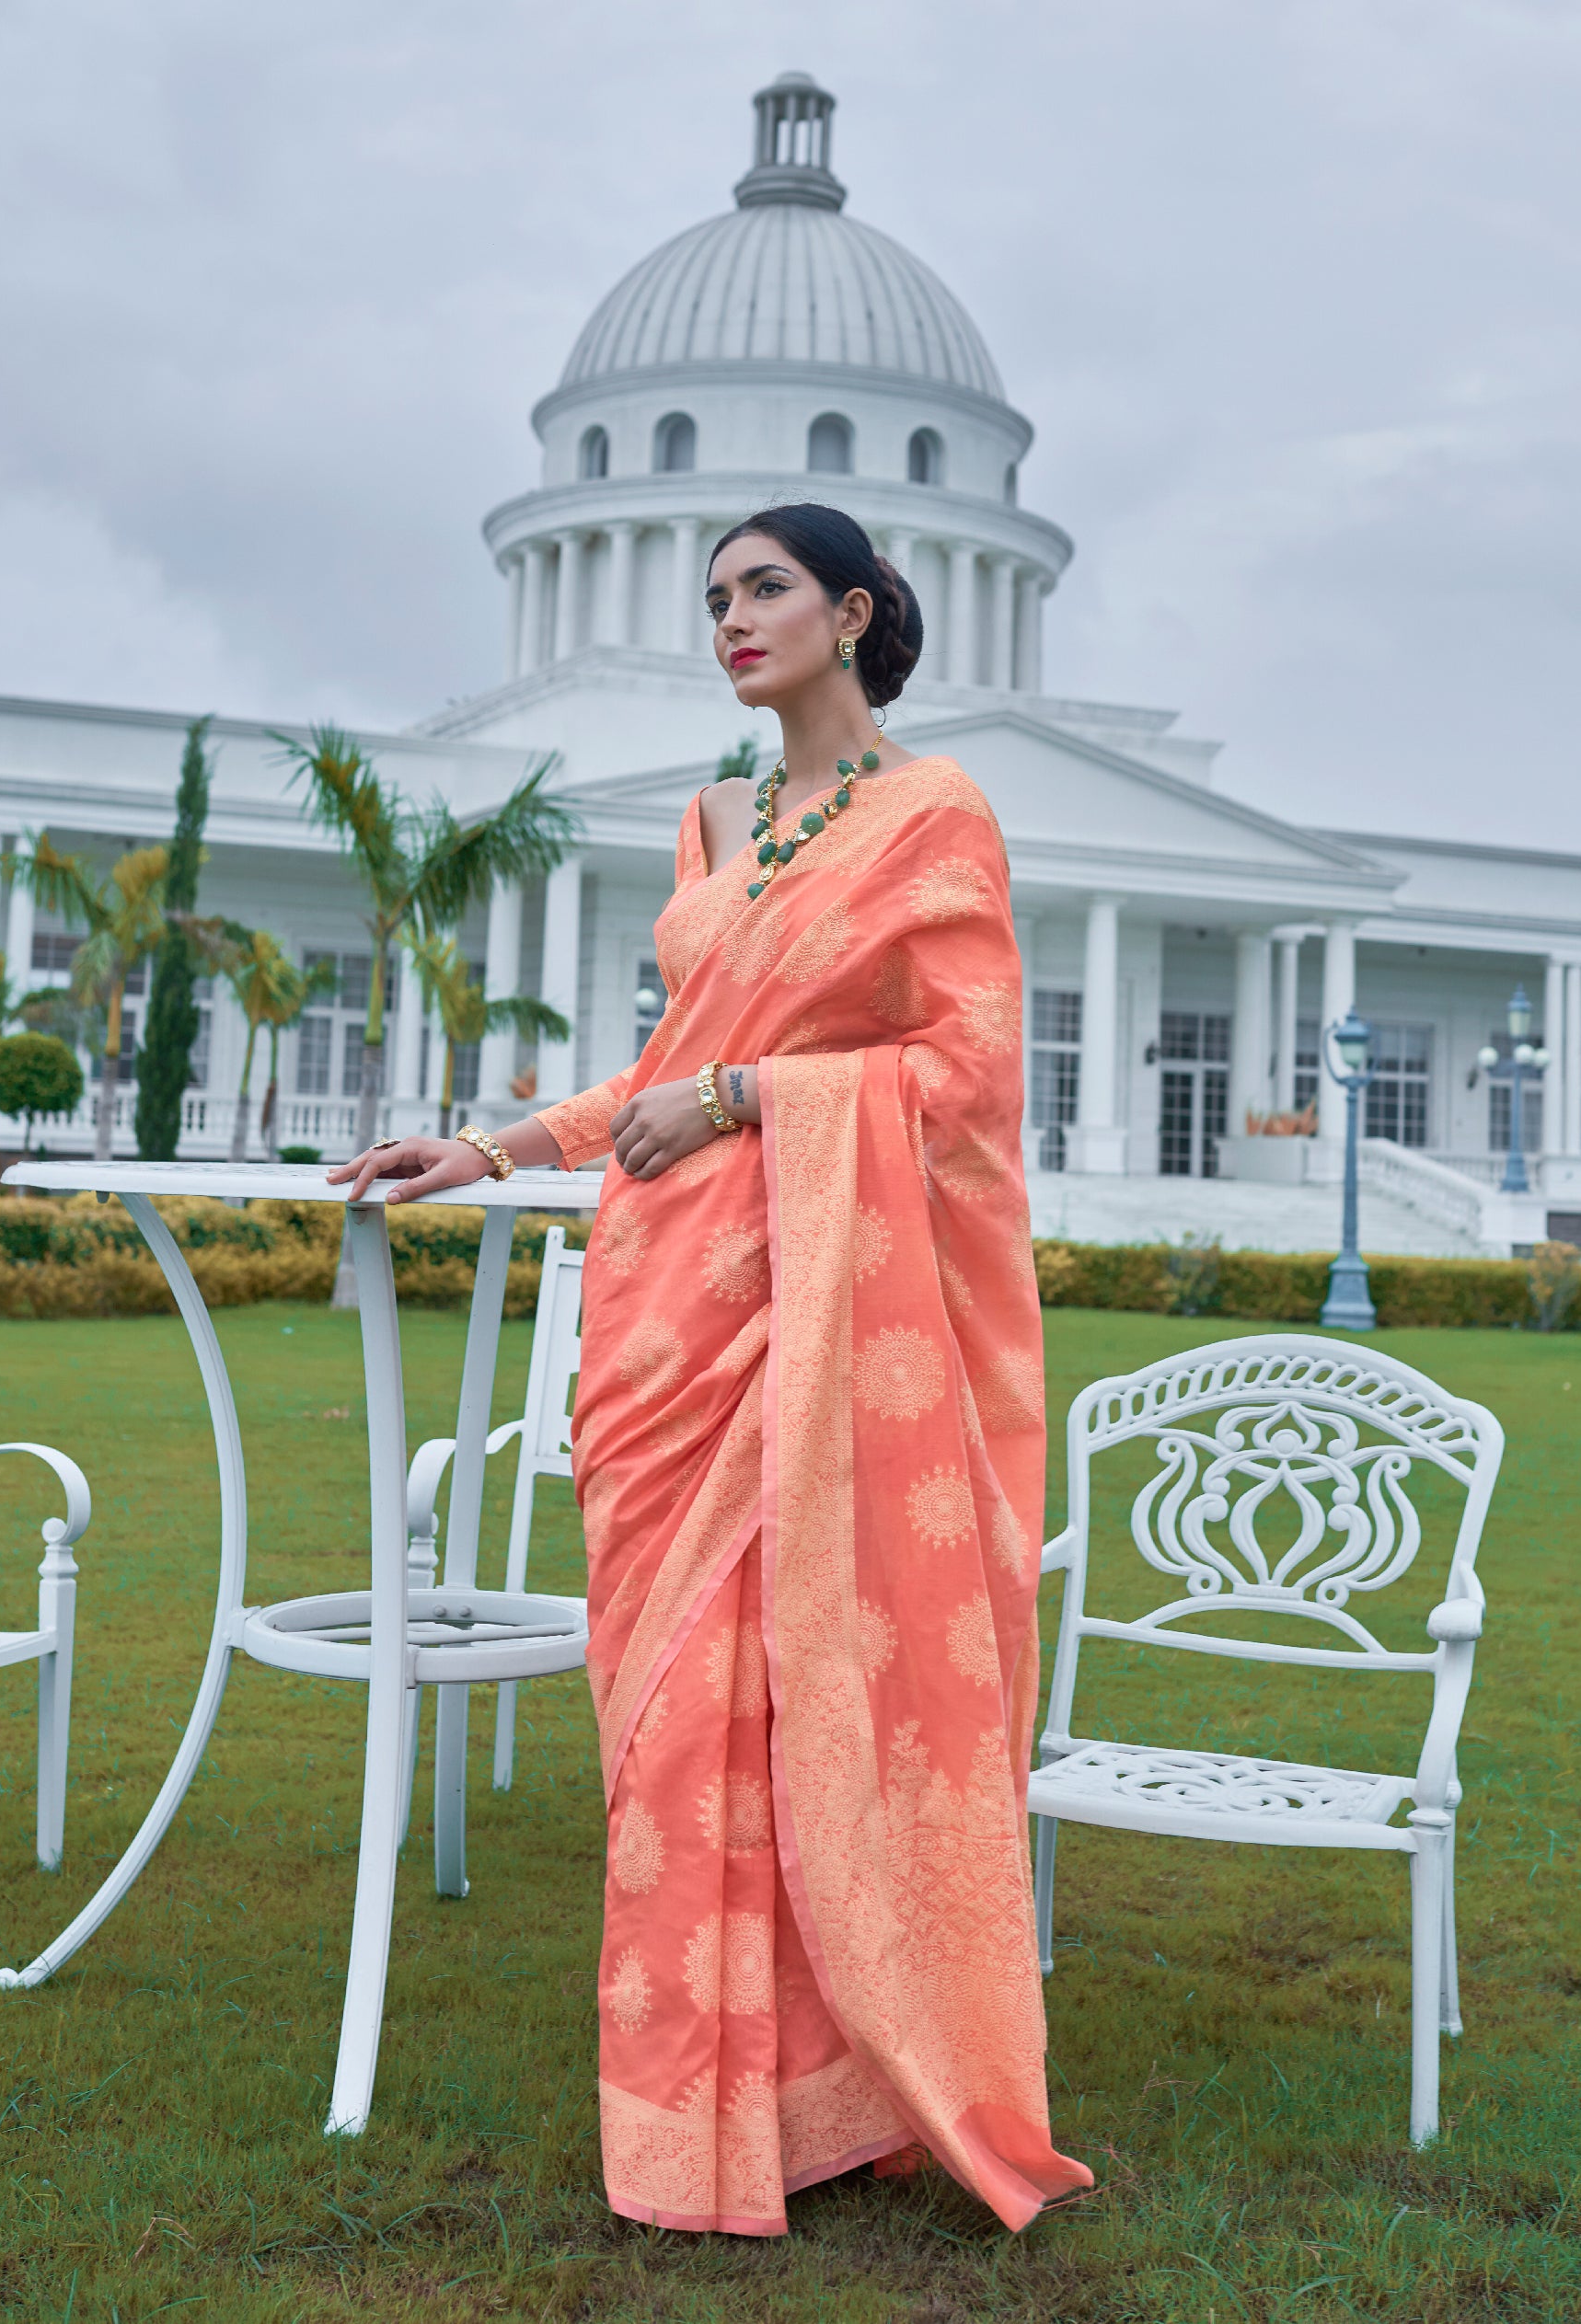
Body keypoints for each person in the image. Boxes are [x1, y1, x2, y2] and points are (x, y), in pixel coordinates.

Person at [329, 502, 1091, 2235]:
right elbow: (669, 1067)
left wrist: (755, 1099)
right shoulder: (710, 815)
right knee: (666, 1708)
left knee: (794, 1690)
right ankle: (701, 2102)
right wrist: (497, 1140)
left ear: (857, 610)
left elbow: (961, 1087)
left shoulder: (933, 817)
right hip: (666, 1307)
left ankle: (811, 2104)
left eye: (766, 590)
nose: (731, 618)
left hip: (826, 1319)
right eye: (715, 596)